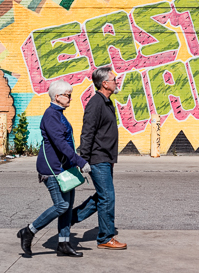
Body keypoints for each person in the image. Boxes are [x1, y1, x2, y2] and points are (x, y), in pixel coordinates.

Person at [17, 80, 91, 257]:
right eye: (67, 95)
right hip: (51, 169)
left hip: (64, 168)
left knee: (67, 205)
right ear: (57, 97)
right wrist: (80, 162)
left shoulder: (59, 114)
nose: (70, 99)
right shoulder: (51, 115)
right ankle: (29, 231)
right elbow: (61, 144)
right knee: (62, 205)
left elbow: (67, 145)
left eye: (70, 95)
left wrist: (73, 164)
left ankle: (63, 244)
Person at [71, 66, 127, 250]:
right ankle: (105, 237)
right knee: (108, 197)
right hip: (97, 158)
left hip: (106, 158)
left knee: (102, 197)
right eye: (113, 79)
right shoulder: (96, 103)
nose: (116, 81)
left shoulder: (106, 102)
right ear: (104, 84)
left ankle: (68, 219)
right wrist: (84, 159)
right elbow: (87, 132)